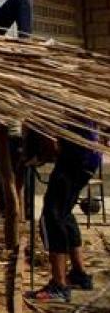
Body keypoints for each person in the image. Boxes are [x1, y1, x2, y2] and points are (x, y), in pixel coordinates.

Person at [26, 128, 102, 302]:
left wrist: (36, 157)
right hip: (87, 157)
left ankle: (59, 285)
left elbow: (50, 142)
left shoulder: (52, 112)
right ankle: (79, 274)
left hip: (75, 158)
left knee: (52, 216)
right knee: (64, 213)